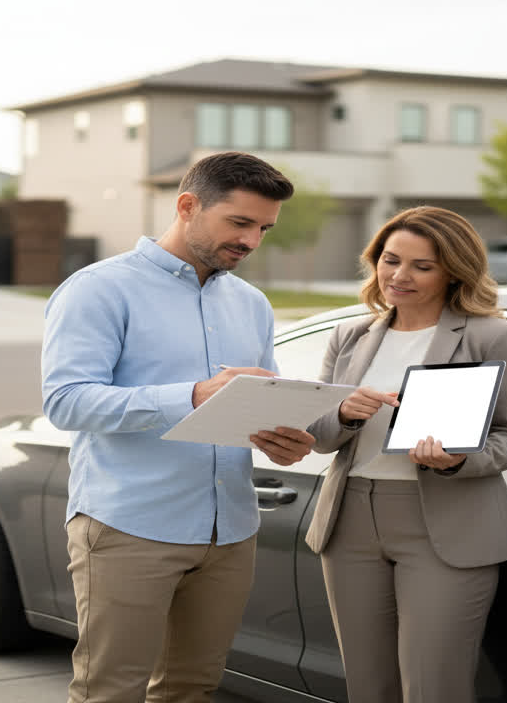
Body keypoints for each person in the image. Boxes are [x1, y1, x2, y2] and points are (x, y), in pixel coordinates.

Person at [42, 151, 316, 703]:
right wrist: (190, 396)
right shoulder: (98, 289)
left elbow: (261, 401)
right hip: (129, 527)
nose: (252, 241)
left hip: (229, 530)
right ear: (188, 206)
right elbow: (66, 401)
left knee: (193, 688)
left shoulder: (252, 304)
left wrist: (283, 438)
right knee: (110, 690)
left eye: (264, 228)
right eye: (239, 223)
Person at [303, 206, 507, 703]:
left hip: (446, 525)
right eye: (390, 260)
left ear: (453, 270)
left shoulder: (491, 336)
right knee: (369, 687)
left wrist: (457, 460)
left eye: (421, 266)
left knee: (434, 687)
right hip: (350, 523)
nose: (398, 276)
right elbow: (319, 437)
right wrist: (344, 413)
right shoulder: (350, 336)